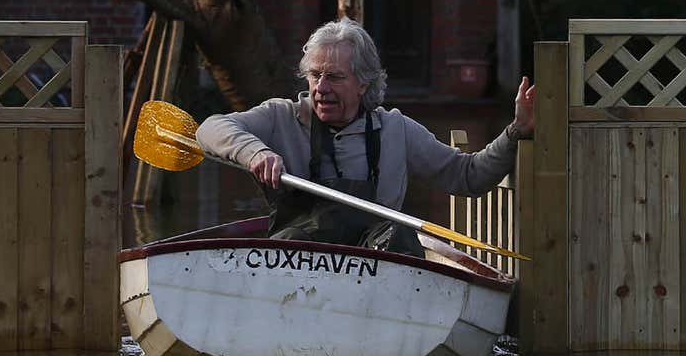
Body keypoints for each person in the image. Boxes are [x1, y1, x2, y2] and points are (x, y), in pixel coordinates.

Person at [195, 17, 534, 256]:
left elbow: (468, 177)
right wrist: (255, 152)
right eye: (314, 76)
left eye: (335, 77)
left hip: (378, 268)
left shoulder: (396, 131)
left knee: (401, 236)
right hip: (298, 264)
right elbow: (209, 128)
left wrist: (516, 130)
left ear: (364, 83)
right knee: (289, 240)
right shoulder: (280, 117)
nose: (321, 89)